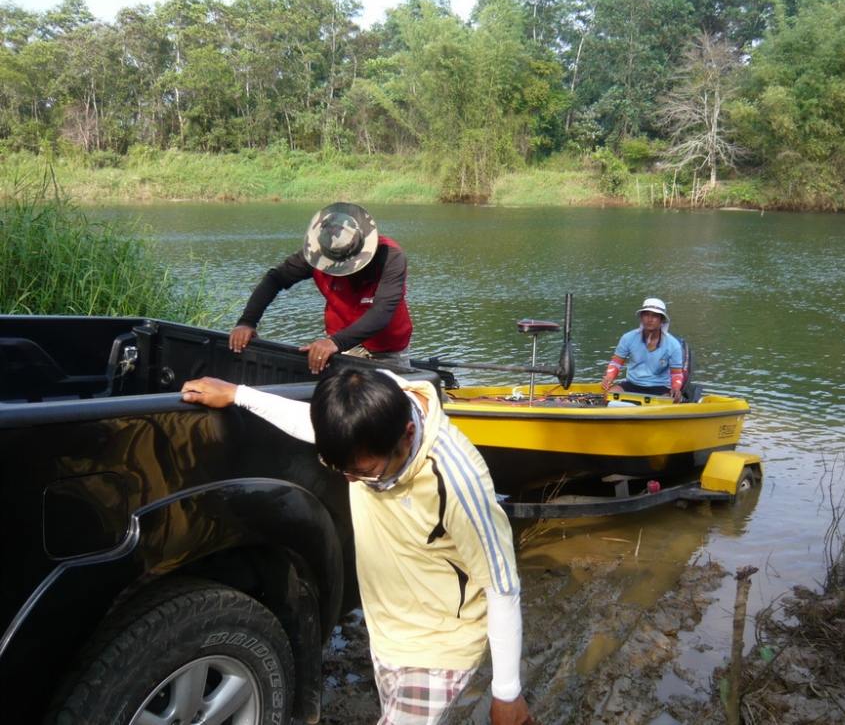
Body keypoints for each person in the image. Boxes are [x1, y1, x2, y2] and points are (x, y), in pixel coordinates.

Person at [180, 367, 536, 725]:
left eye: (365, 473)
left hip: (440, 642)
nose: (352, 480)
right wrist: (240, 394)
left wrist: (506, 693)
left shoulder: (459, 483)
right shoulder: (366, 413)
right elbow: (312, 425)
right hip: (386, 629)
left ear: (408, 435)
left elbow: (502, 585)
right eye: (341, 469)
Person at [230, 202, 412, 373]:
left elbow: (382, 311)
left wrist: (335, 342)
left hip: (386, 350)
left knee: (389, 402)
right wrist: (247, 322)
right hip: (339, 344)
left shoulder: (391, 257)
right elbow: (275, 279)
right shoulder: (317, 255)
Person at [600, 297, 685, 402]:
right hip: (632, 385)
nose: (650, 319)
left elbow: (676, 373)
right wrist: (609, 377)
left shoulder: (673, 344)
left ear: (661, 320)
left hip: (659, 388)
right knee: (609, 396)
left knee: (669, 401)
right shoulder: (628, 338)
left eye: (655, 316)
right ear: (641, 317)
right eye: (646, 315)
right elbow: (616, 363)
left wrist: (676, 388)